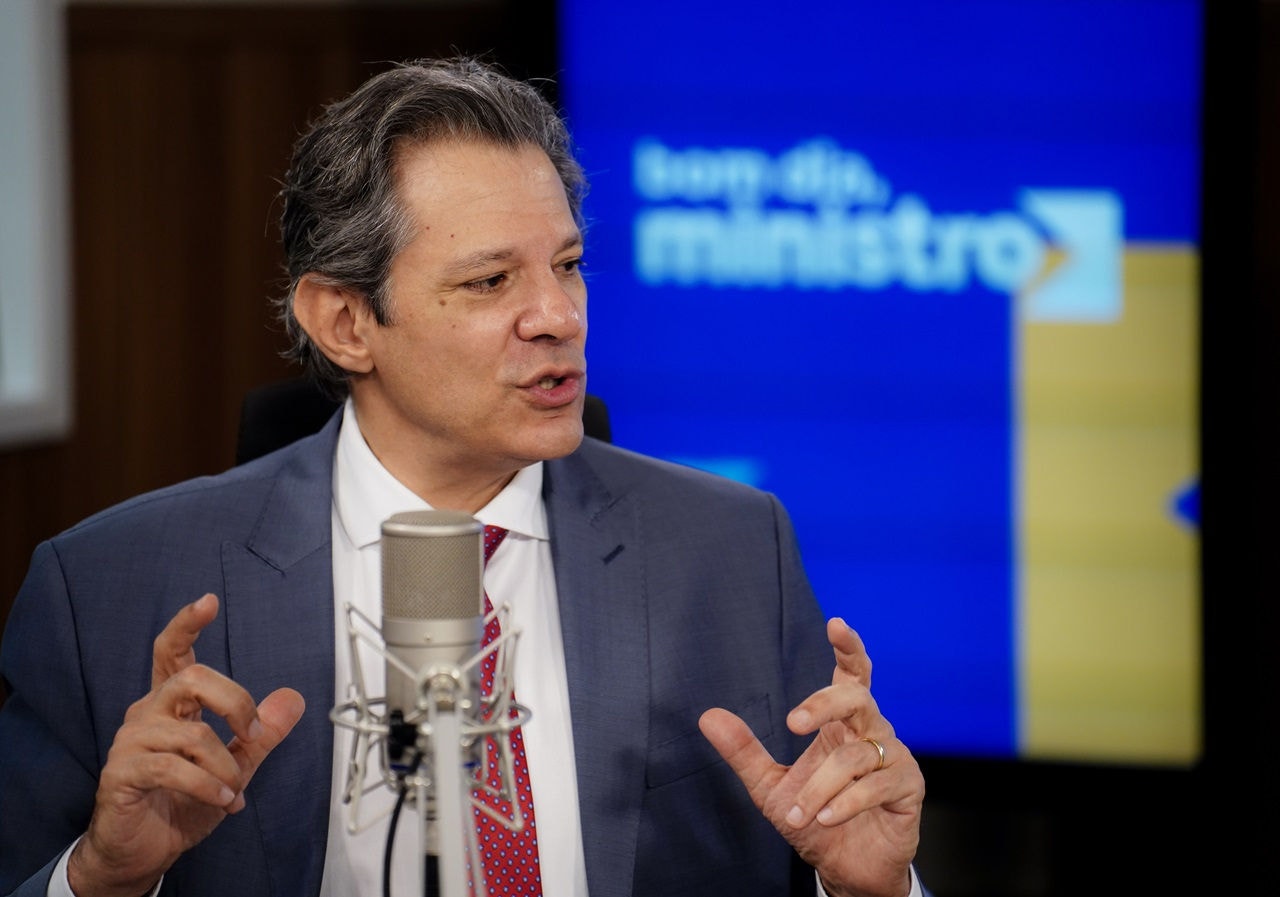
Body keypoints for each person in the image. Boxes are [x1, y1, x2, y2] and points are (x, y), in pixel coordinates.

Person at [0, 57, 928, 897]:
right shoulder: (106, 589)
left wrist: (867, 890)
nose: (558, 316)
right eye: (491, 282)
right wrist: (104, 879)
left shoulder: (730, 550)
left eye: (568, 266)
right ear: (346, 322)